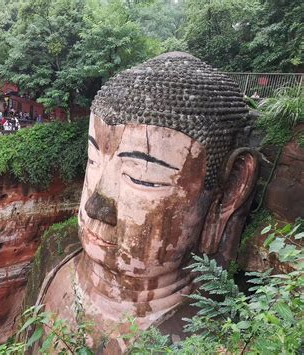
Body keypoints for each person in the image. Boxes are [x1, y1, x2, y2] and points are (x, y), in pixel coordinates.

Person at [42, 52, 258, 350]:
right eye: (93, 160)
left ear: (232, 188)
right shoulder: (54, 264)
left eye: (142, 177)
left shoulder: (229, 339)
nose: (96, 206)